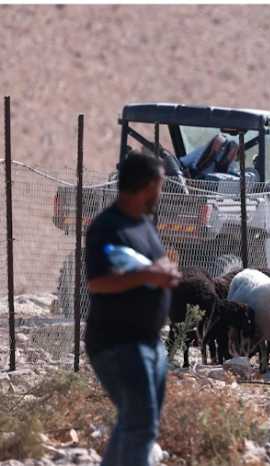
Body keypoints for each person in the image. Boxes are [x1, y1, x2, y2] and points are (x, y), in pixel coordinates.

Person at [84, 151, 182, 466]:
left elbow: (154, 263)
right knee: (141, 425)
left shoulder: (143, 224)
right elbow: (97, 282)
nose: (162, 192)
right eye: (161, 184)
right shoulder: (107, 227)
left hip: (150, 342)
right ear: (147, 184)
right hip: (118, 343)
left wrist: (166, 268)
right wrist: (149, 275)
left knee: (134, 422)